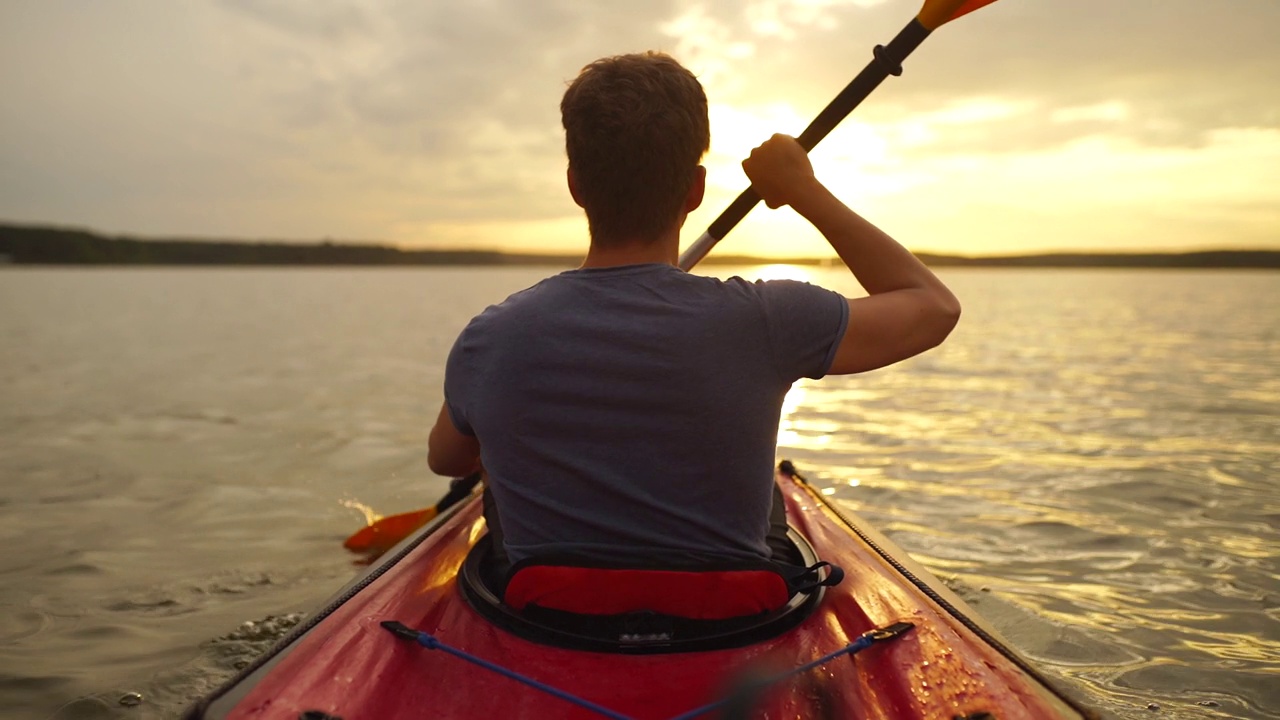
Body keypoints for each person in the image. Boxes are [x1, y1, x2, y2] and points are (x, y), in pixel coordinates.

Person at [427, 52, 959, 579]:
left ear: (575, 185)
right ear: (696, 191)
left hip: (548, 616)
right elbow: (933, 307)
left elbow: (446, 459)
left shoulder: (490, 338)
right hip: (730, 621)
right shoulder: (769, 319)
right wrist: (802, 190)